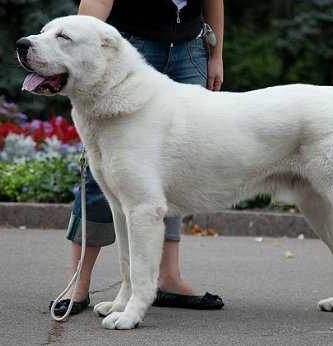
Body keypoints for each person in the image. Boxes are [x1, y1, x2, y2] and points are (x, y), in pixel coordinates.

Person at [51, 0, 224, 316]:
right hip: (127, 49)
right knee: (102, 170)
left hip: (190, 48)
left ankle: (168, 278)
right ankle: (78, 281)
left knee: (175, 165)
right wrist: (75, 62)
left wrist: (216, 54)